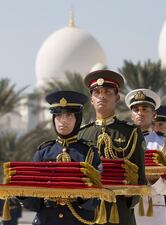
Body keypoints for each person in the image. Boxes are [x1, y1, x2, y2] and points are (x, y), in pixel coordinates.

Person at [22, 90, 102, 225]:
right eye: (58, 115)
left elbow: (97, 200)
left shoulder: (90, 153)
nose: (63, 121)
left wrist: (83, 197)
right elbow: (34, 204)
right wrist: (22, 193)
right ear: (53, 119)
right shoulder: (43, 152)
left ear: (78, 119)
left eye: (69, 115)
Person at [78, 70, 146, 225]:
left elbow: (140, 177)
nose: (102, 96)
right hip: (87, 213)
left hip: (119, 210)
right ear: (91, 100)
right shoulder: (82, 134)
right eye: (97, 92)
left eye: (107, 92)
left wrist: (128, 199)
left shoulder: (132, 133)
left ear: (117, 98)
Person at [125, 90, 166, 224]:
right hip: (124, 205)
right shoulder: (121, 141)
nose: (140, 113)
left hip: (152, 207)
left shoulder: (164, 143)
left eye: (145, 109)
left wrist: (155, 181)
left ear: (154, 114)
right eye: (136, 109)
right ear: (131, 115)